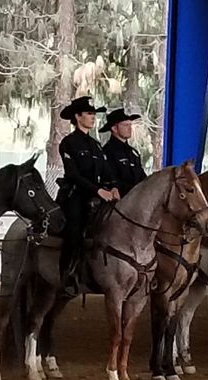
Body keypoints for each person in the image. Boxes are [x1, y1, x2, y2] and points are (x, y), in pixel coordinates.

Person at [54, 96, 111, 298]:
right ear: (78, 117)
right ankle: (67, 275)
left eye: (94, 114)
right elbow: (74, 175)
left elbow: (106, 172)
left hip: (98, 196)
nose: (93, 117)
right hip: (75, 196)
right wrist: (98, 191)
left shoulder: (96, 145)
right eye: (89, 113)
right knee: (75, 229)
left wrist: (111, 187)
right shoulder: (68, 143)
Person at [100, 108, 147, 197]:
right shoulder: (108, 151)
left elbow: (142, 176)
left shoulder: (133, 153)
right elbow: (111, 179)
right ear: (114, 128)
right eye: (125, 125)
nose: (129, 128)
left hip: (139, 199)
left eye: (130, 125)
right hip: (119, 200)